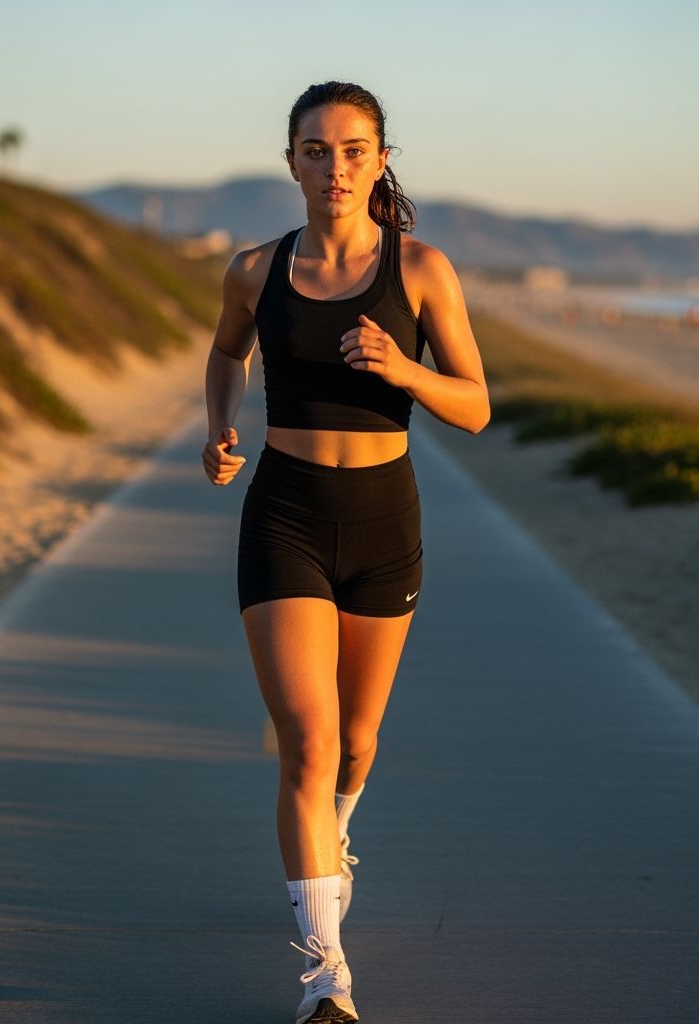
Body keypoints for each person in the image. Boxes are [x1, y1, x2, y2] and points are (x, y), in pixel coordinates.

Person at [202, 80, 489, 1024]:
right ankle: (328, 977)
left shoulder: (422, 270)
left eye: (354, 149)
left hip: (382, 525)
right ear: (291, 162)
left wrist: (403, 366)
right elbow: (226, 352)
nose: (335, 167)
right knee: (307, 742)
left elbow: (476, 406)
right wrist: (220, 426)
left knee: (355, 746)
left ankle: (335, 834)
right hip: (282, 513)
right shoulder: (255, 268)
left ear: (381, 159)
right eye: (316, 150)